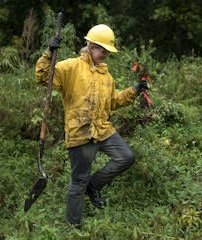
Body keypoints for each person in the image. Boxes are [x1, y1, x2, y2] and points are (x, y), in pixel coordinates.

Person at [35, 24, 148, 227]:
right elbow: (43, 77)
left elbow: (114, 102)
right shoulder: (70, 67)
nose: (104, 54)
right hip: (80, 132)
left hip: (103, 130)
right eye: (101, 49)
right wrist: (49, 52)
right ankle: (73, 226)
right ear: (90, 45)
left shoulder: (107, 76)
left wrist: (134, 90)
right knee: (78, 182)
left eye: (107, 51)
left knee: (126, 157)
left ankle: (93, 185)